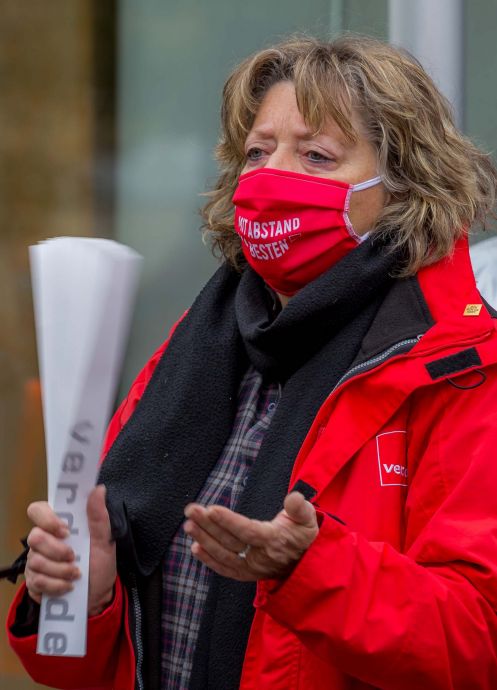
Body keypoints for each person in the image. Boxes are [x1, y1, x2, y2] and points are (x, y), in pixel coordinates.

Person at [4, 34, 497, 690]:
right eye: (257, 152)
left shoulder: (456, 371)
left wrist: (311, 571)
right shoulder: (197, 345)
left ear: (402, 185)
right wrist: (87, 598)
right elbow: (92, 665)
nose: (271, 176)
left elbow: (474, 643)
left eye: (317, 155)